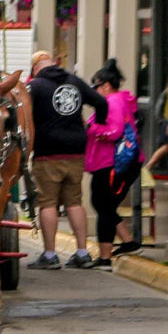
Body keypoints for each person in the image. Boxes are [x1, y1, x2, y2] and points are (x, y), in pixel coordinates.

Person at [27, 50, 108, 270]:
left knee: (47, 202)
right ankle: (82, 253)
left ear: (35, 68)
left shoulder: (35, 87)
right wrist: (96, 124)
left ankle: (50, 255)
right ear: (53, 63)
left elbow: (23, 116)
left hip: (47, 151)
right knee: (74, 200)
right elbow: (101, 103)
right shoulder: (74, 82)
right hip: (76, 149)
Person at [85, 60, 137, 268]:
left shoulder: (112, 103)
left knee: (104, 206)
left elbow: (113, 132)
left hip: (112, 164)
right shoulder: (117, 101)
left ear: (106, 85)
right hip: (111, 163)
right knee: (103, 204)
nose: (96, 92)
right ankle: (128, 241)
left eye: (97, 87)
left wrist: (90, 129)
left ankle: (105, 257)